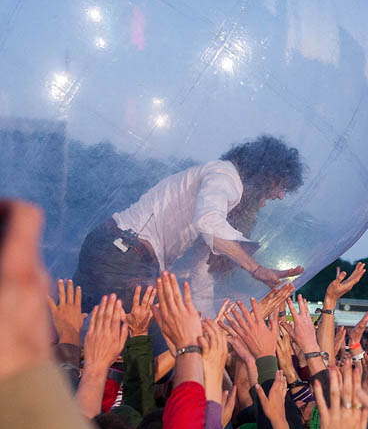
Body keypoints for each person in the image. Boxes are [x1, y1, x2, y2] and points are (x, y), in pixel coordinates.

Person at [73, 135, 305, 315]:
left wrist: (209, 321)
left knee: (73, 323)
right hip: (122, 254)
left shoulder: (223, 205)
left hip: (117, 251)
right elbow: (208, 222)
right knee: (158, 331)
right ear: (266, 173)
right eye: (280, 185)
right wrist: (256, 269)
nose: (281, 195)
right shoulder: (225, 175)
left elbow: (203, 268)